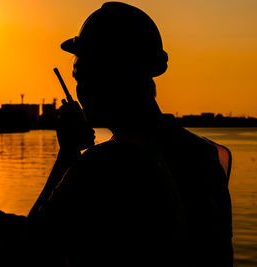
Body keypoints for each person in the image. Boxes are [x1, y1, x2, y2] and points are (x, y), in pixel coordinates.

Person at [27, 2, 233, 267]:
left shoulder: (101, 166)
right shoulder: (208, 155)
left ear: (105, 77)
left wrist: (67, 154)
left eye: (80, 76)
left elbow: (36, 242)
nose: (79, 89)